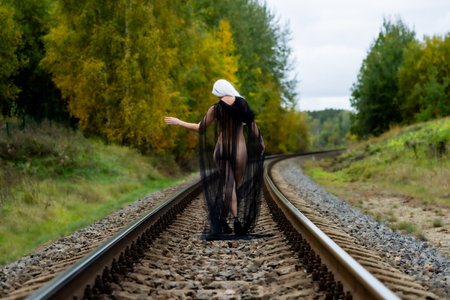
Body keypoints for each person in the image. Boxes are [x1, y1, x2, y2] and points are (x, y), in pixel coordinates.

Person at [164, 79, 265, 237]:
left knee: (228, 187)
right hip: (239, 151)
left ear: (218, 93)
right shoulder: (242, 104)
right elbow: (251, 124)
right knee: (233, 187)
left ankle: (224, 221)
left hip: (221, 150)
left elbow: (200, 127)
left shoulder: (215, 108)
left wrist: (179, 122)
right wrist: (260, 141)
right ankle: (236, 221)